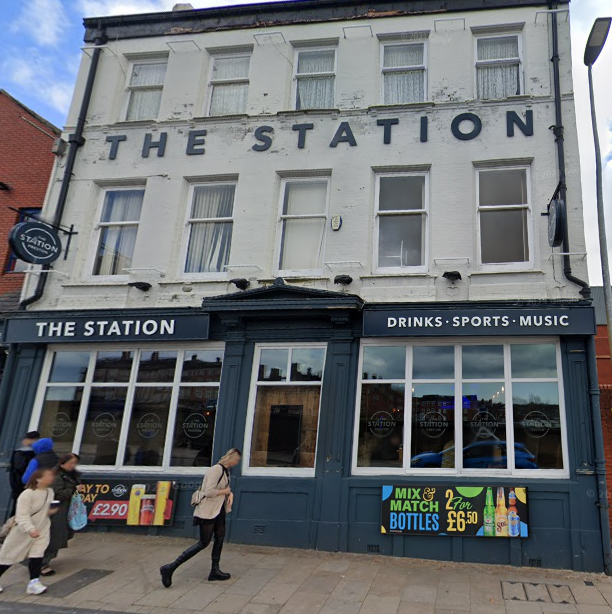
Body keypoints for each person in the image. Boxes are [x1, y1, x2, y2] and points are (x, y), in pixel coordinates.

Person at [159, 448, 241, 588]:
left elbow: (224, 488)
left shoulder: (226, 471)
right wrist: (225, 491)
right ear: (231, 458)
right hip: (208, 511)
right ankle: (170, 567)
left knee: (220, 538)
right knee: (203, 543)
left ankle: (215, 571)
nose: (237, 463)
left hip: (218, 510)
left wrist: (230, 494)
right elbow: (209, 492)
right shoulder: (216, 469)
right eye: (237, 460)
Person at [0, 469, 55, 595]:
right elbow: (22, 515)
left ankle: (34, 583)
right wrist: (30, 529)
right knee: (9, 557)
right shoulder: (27, 494)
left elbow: (49, 508)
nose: (51, 478)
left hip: (42, 529)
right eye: (48, 476)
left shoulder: (50, 492)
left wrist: (52, 510)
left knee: (37, 555)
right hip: (23, 532)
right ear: (38, 479)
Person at [40, 453, 83, 576]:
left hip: (65, 509)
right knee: (54, 536)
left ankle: (41, 562)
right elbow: (56, 493)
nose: (73, 465)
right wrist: (74, 490)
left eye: (75, 463)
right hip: (56, 511)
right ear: (62, 463)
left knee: (60, 535)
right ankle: (42, 564)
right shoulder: (56, 475)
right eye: (71, 463)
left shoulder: (71, 474)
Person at [8, 432, 40, 515]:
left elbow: (15, 469)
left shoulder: (18, 452)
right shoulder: (30, 454)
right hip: (24, 484)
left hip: (17, 483)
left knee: (18, 507)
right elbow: (21, 468)